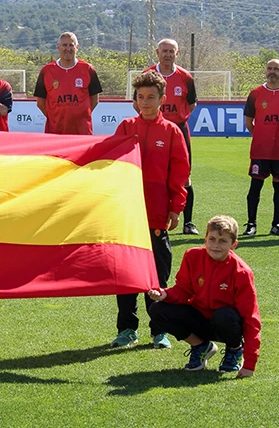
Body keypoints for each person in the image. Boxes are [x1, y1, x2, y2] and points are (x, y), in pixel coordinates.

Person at [111, 70, 190, 349]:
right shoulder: (125, 127)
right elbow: (110, 164)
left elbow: (180, 174)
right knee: (125, 275)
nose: (145, 102)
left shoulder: (171, 132)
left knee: (156, 275)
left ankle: (160, 330)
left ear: (162, 100)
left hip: (156, 213)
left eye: (151, 98)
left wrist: (176, 208)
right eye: (141, 97)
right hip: (126, 214)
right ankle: (126, 329)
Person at [148, 215, 260, 378]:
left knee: (224, 315)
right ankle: (201, 346)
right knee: (158, 309)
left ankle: (234, 349)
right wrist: (164, 294)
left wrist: (250, 364)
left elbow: (251, 318)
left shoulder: (242, 272)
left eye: (223, 241)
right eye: (212, 239)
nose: (216, 245)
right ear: (205, 239)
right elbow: (183, 290)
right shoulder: (192, 256)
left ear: (233, 244)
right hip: (200, 319)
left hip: (226, 325)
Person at [134, 39, 199, 235]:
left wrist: (173, 121)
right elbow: (137, 103)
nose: (167, 54)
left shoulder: (185, 77)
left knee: (184, 176)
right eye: (164, 51)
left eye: (171, 51)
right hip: (152, 128)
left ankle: (188, 222)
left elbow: (191, 104)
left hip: (177, 129)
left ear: (177, 54)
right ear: (157, 52)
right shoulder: (147, 75)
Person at [241, 59, 279, 237]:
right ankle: (251, 224)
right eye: (269, 68)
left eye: (276, 69)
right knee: (255, 186)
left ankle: (277, 224)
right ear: (265, 71)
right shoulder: (255, 93)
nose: (272, 71)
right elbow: (248, 122)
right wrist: (261, 136)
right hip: (261, 149)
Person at [33, 32, 103, 135]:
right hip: (55, 130)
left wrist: (81, 115)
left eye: (71, 45)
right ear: (58, 47)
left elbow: (95, 99)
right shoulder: (46, 70)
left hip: (82, 131)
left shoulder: (88, 69)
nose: (68, 48)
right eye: (64, 45)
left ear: (77, 47)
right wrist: (54, 117)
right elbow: (40, 103)